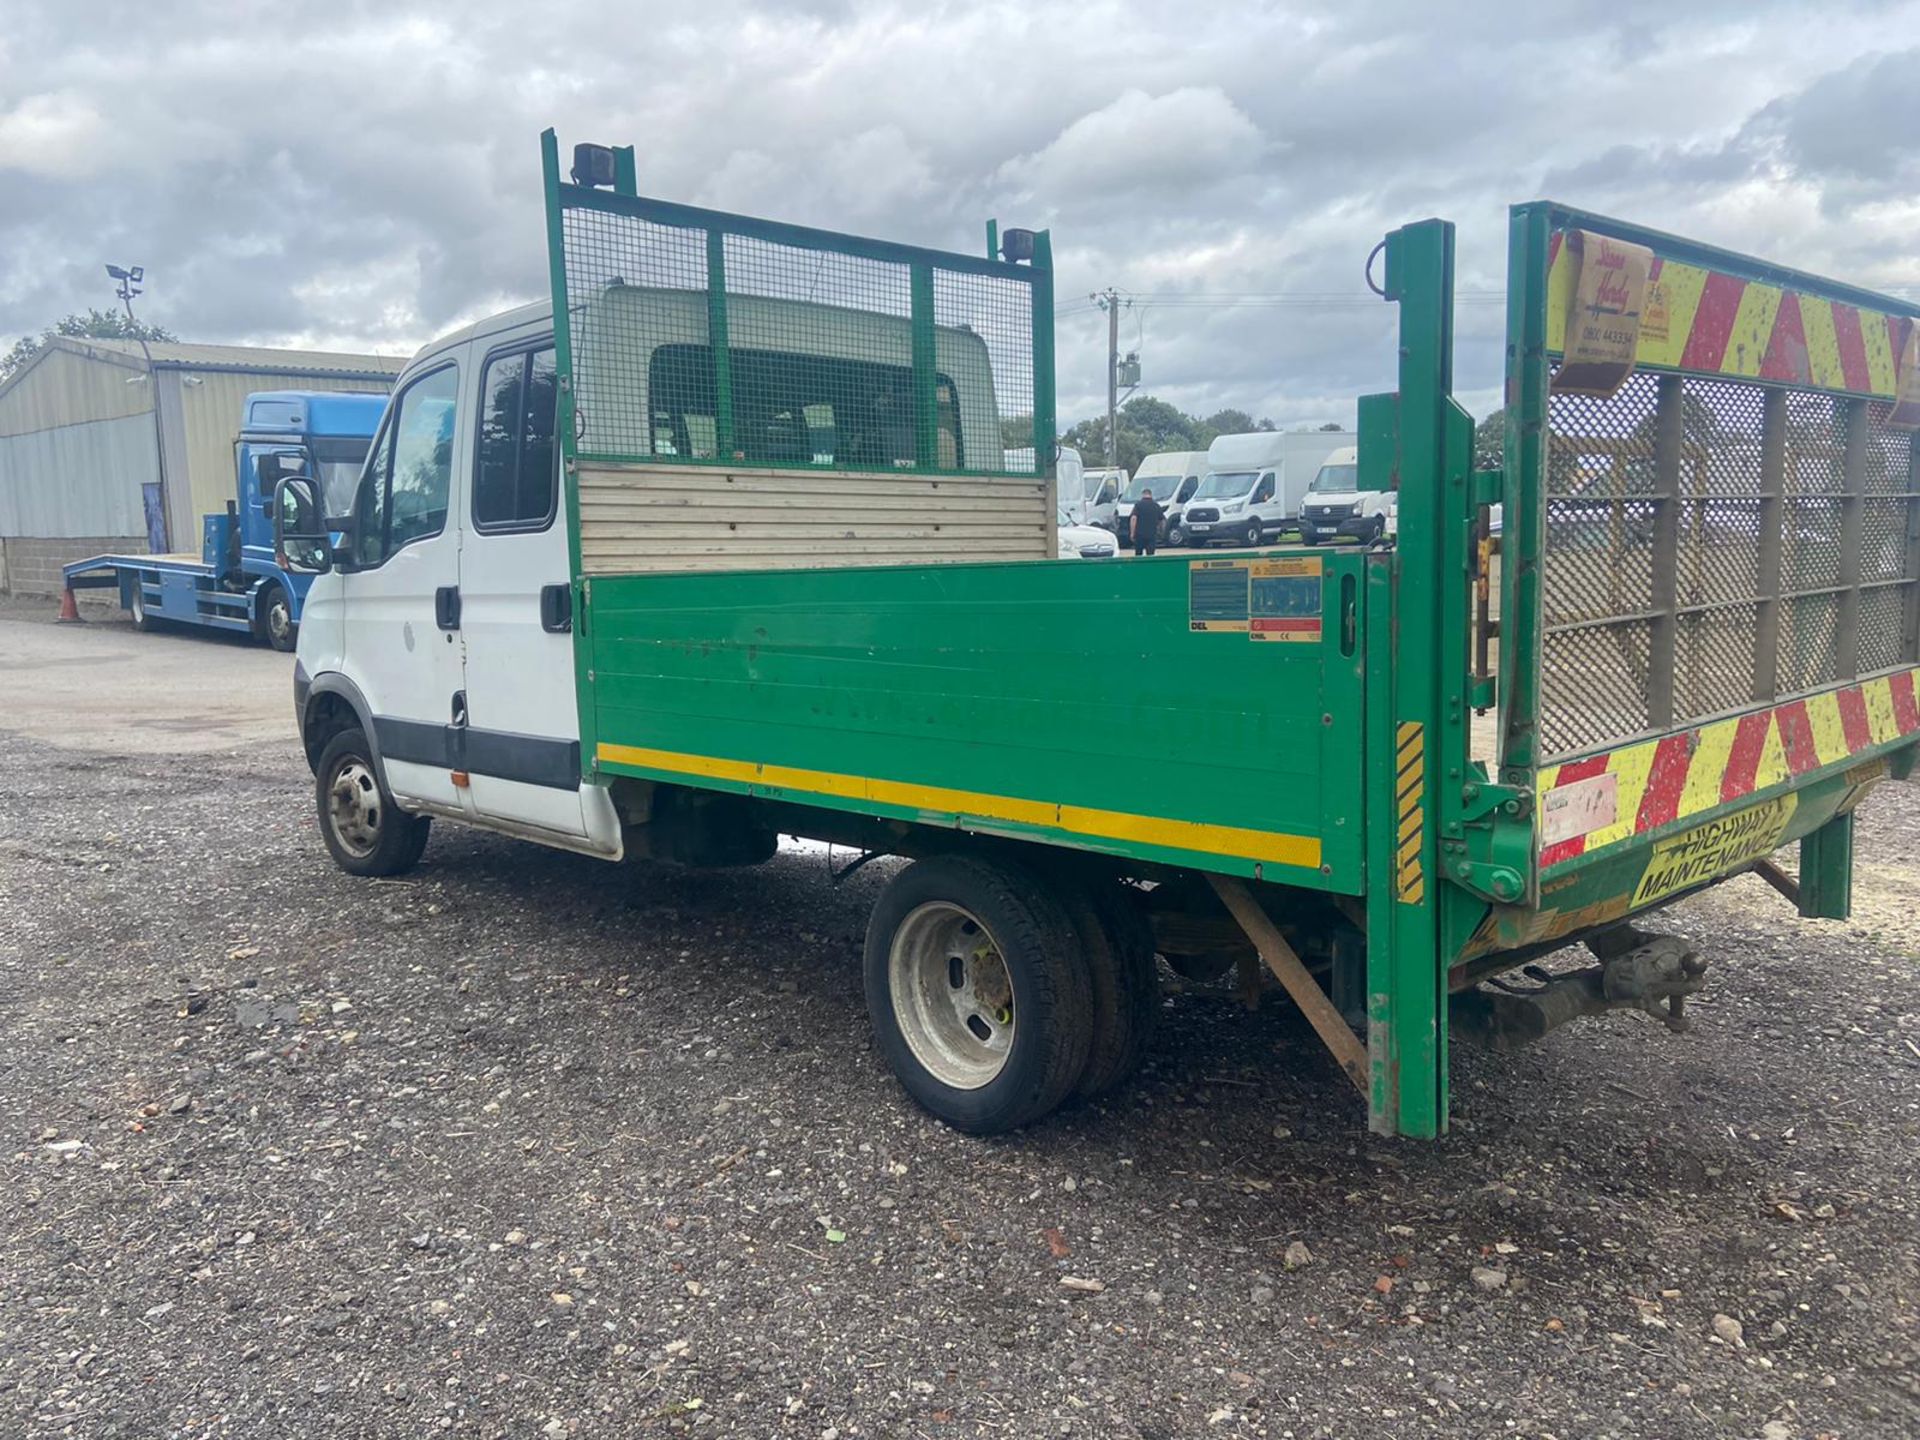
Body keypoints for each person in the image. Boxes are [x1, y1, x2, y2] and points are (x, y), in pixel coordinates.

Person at [1130, 488, 1164, 557]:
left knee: (1138, 556)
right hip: (1152, 535)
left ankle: (1139, 567)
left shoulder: (1138, 505)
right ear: (1151, 495)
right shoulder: (1156, 505)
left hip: (1139, 535)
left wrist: (1132, 533)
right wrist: (1161, 533)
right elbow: (1162, 521)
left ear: (1143, 495)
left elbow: (1133, 519)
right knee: (1150, 556)